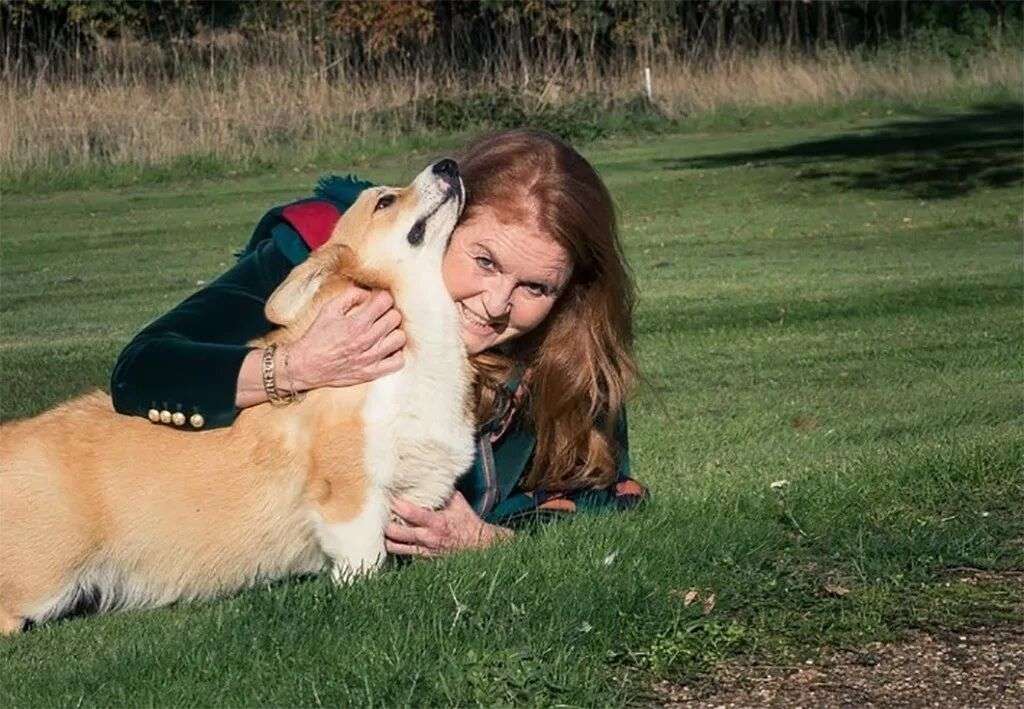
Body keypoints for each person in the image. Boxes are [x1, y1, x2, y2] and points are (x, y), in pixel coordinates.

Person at [110, 128, 647, 558]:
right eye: (484, 261)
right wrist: (295, 367)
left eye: (536, 287)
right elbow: (143, 370)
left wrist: (490, 540)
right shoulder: (330, 249)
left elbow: (607, 496)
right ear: (444, 217)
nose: (496, 304)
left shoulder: (573, 347)